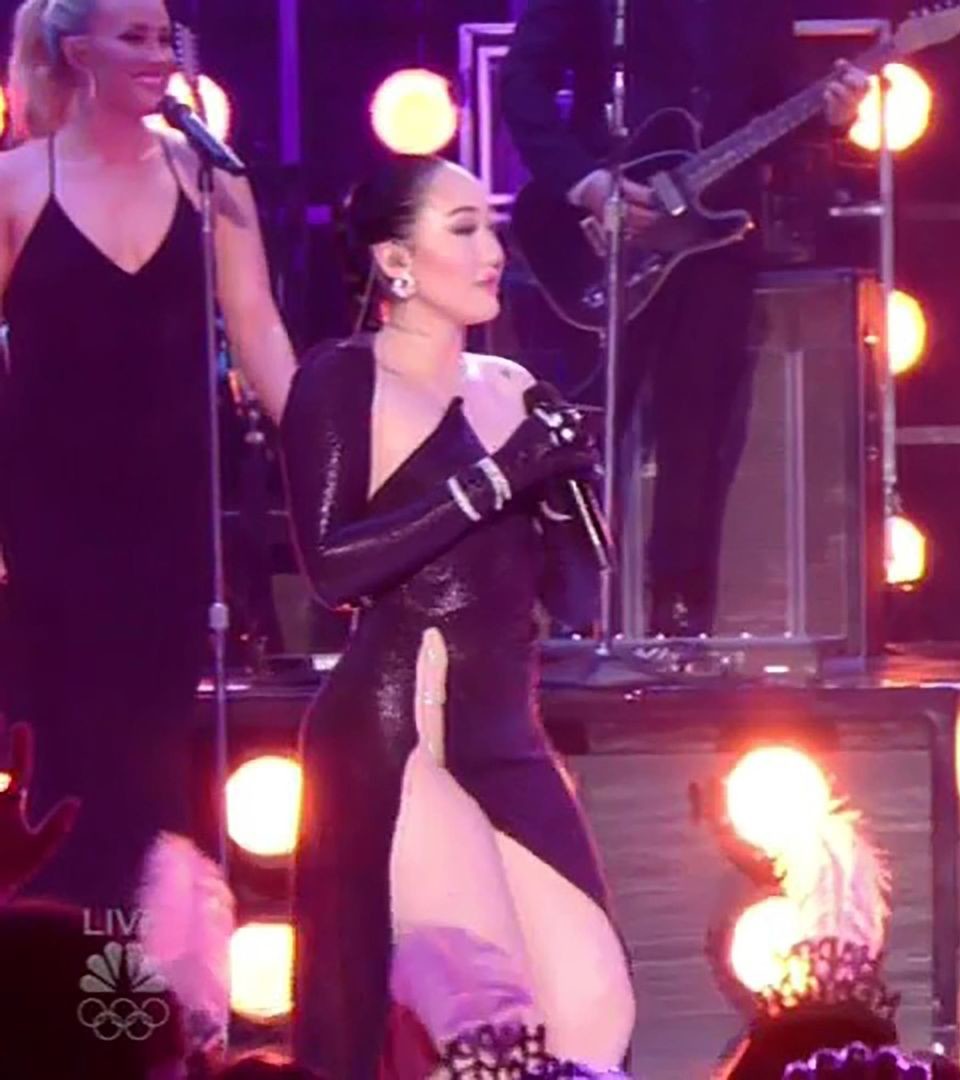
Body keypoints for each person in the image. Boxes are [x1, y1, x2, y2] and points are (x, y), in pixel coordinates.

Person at [281, 155, 632, 1078]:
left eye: (493, 227)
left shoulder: (510, 383)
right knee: (482, 1019)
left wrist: (570, 491)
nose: (493, 251)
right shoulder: (342, 381)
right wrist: (497, 478)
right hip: (401, 725)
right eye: (464, 228)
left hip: (504, 726)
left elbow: (576, 582)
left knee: (594, 1008)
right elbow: (332, 567)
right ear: (396, 260)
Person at [0, 0, 298, 911]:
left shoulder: (208, 178)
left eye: (165, 38)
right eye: (133, 37)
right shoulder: (16, 185)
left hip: (169, 510)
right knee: (70, 749)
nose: (157, 55)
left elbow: (260, 335)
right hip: (50, 513)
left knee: (155, 750)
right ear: (76, 51)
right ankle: (77, 972)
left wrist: (336, 460)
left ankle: (152, 974)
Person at [499, 0, 867, 637]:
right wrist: (586, 183)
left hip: (714, 234)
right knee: (578, 431)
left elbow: (771, 107)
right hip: (607, 229)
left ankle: (680, 619)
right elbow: (522, 84)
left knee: (699, 434)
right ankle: (554, 616)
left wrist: (831, 115)